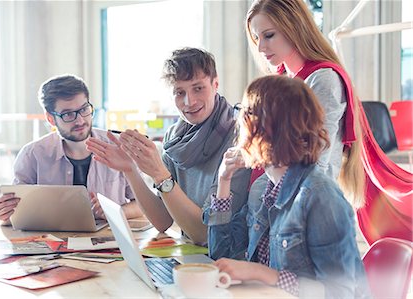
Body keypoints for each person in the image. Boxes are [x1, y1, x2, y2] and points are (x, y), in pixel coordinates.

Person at [245, 0, 412, 244]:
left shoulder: (323, 80)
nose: (261, 47)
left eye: (269, 35)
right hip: (280, 210)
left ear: (294, 27)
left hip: (305, 216)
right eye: (256, 37)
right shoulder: (282, 80)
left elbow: (314, 165)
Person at [205, 75, 371, 298]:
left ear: (262, 129)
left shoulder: (320, 196)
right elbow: (222, 254)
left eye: (242, 112)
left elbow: (341, 292)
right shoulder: (263, 188)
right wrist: (223, 181)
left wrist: (262, 274)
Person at [86, 47, 251, 245]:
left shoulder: (240, 136)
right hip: (191, 255)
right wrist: (130, 170)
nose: (189, 101)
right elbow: (163, 220)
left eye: (198, 88)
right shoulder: (175, 136)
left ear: (215, 84)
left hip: (227, 260)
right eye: (179, 92)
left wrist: (160, 174)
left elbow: (205, 234)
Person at [0, 74, 143, 225]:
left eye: (84, 109)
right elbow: (15, 214)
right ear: (51, 119)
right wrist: (4, 214)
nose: (80, 120)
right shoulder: (33, 155)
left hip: (110, 240)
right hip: (53, 242)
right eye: (68, 114)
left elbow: (142, 205)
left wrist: (115, 212)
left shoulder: (117, 147)